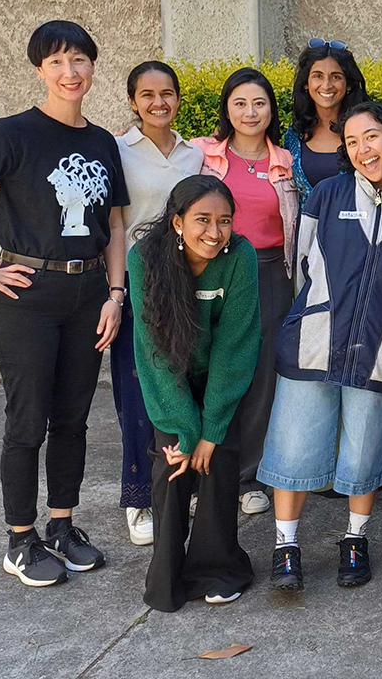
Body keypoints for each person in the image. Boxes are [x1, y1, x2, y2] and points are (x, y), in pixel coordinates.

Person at [0, 21, 128, 586]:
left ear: (93, 67)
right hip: (27, 295)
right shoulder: (10, 133)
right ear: (40, 70)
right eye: (57, 62)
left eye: (80, 60)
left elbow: (114, 221)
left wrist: (116, 294)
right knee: (27, 422)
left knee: (73, 417)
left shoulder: (101, 142)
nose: (71, 73)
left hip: (90, 291)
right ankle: (20, 539)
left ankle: (62, 527)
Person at [258, 102, 382, 590]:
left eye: (371, 137)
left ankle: (356, 538)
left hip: (381, 344)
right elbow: (300, 263)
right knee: (293, 445)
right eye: (351, 142)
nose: (362, 149)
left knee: (364, 448)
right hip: (314, 343)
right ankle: (286, 546)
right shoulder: (326, 195)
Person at [130, 175, 260, 611]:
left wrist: (211, 429)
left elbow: (236, 346)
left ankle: (219, 568)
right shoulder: (144, 259)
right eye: (202, 219)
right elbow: (154, 351)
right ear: (177, 222)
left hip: (221, 377)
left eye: (224, 221)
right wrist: (186, 432)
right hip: (170, 379)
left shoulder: (240, 257)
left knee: (218, 462)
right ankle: (167, 576)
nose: (214, 231)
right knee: (172, 466)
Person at [192, 68, 300, 516]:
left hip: (271, 274)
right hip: (212, 272)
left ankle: (249, 478)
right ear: (227, 109)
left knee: (260, 377)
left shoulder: (286, 162)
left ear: (271, 109)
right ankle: (203, 475)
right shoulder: (202, 155)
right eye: (240, 103)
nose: (250, 112)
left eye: (259, 103)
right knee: (207, 371)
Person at [113, 61, 203, 547]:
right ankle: (139, 498)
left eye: (167, 93)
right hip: (137, 283)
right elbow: (112, 224)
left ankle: (178, 482)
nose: (158, 103)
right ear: (132, 101)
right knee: (138, 392)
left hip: (186, 285)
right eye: (147, 95)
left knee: (182, 386)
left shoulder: (195, 154)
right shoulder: (117, 150)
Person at [283, 39, 368, 212]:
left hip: (355, 234)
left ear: (349, 84)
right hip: (306, 235)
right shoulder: (294, 136)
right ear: (306, 83)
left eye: (336, 77)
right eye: (318, 76)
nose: (327, 85)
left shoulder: (365, 132)